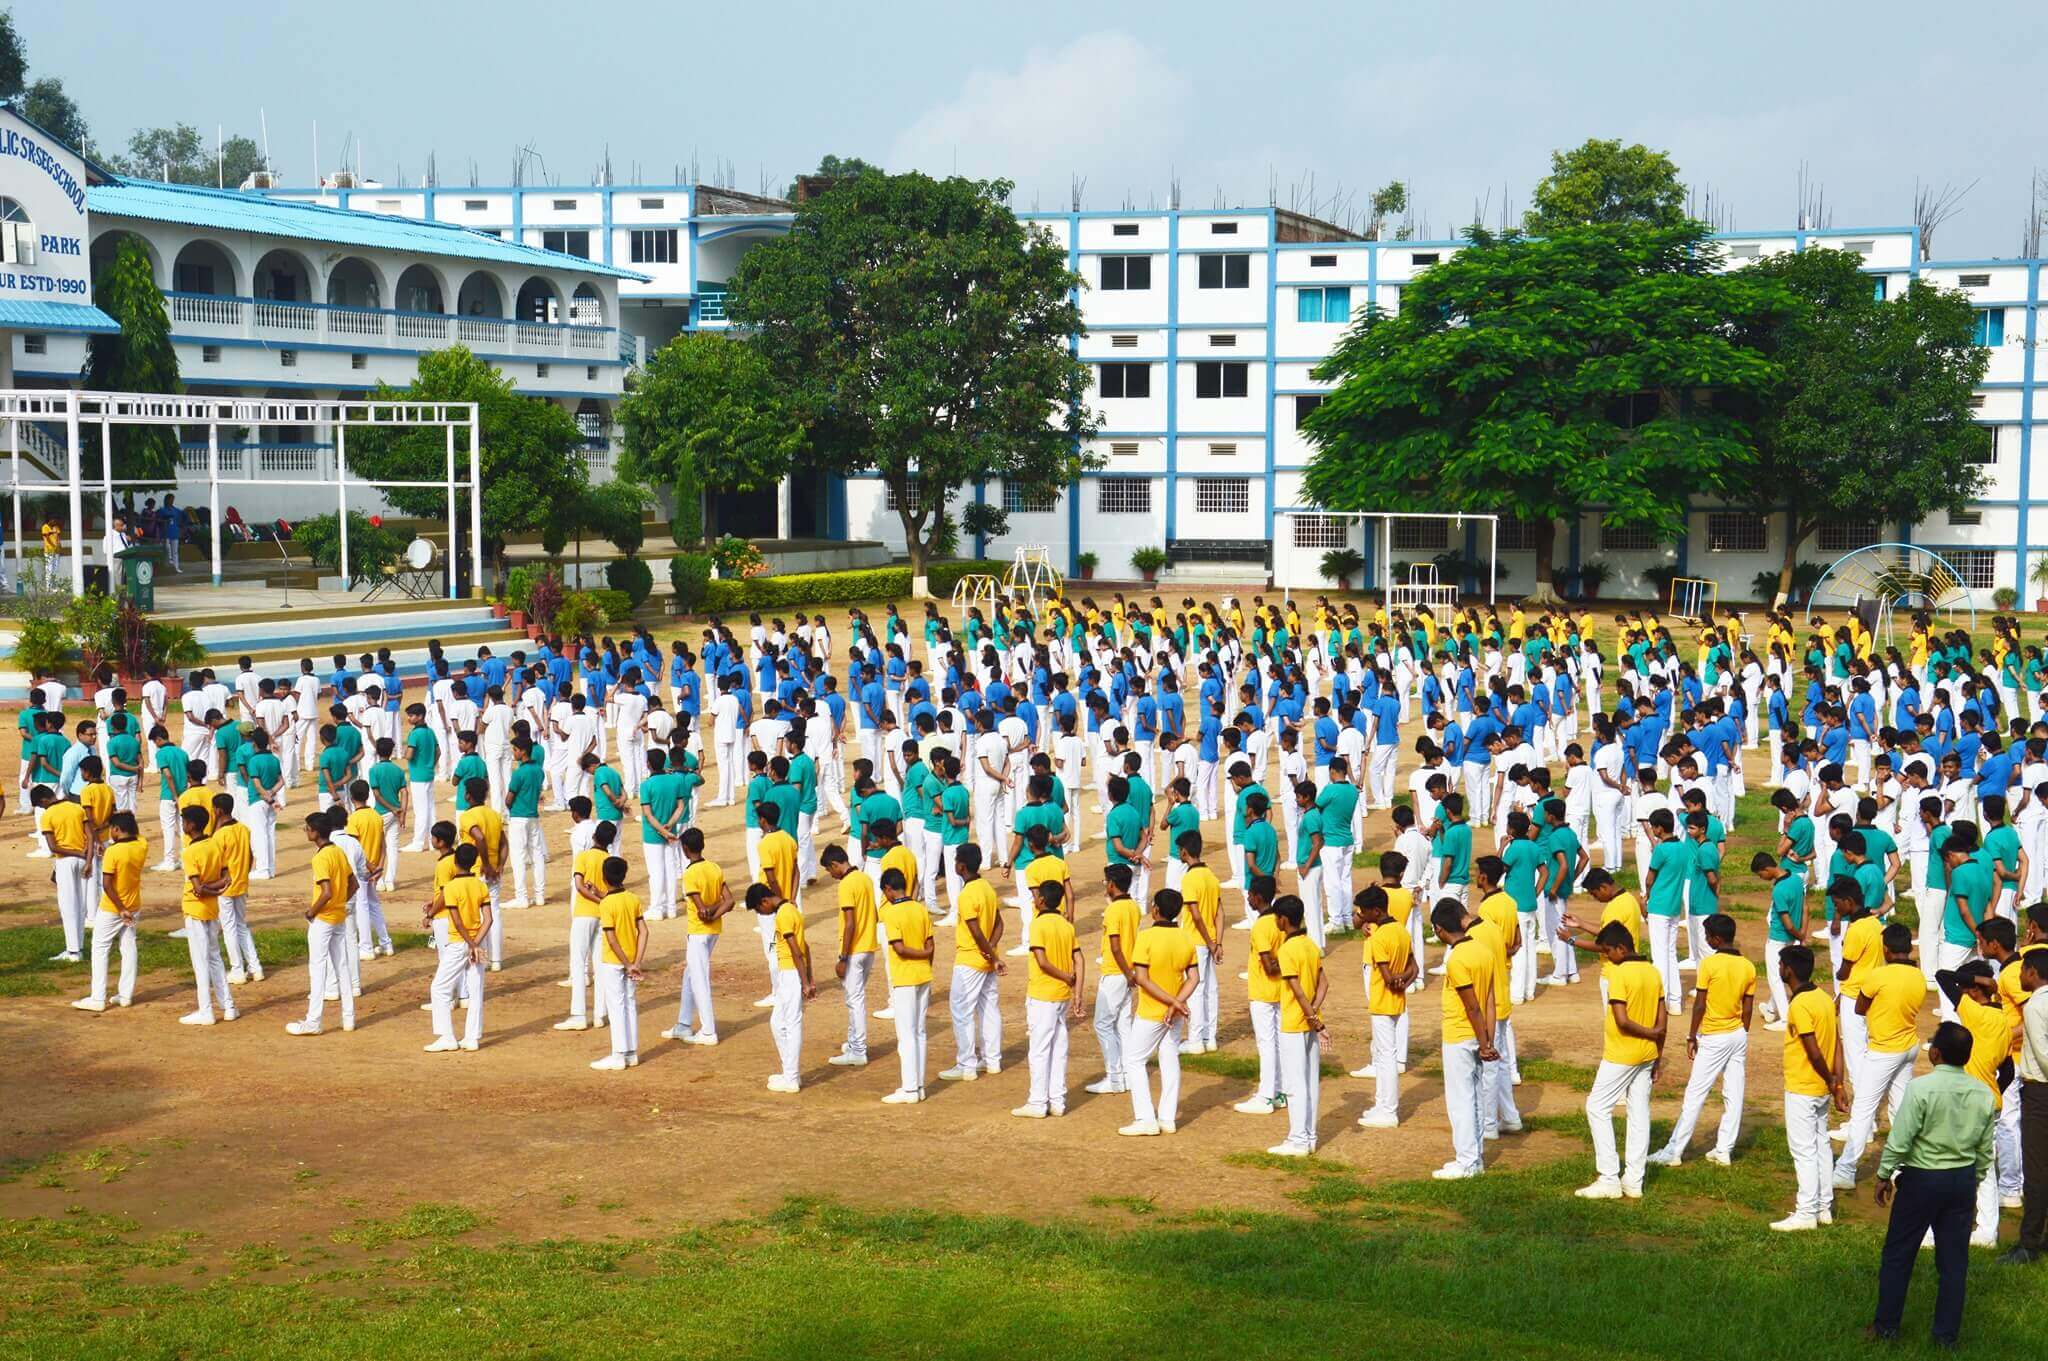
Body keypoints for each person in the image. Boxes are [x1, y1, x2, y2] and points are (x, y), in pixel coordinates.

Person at [1867, 1022, 1997, 1348]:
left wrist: (1884, 1175)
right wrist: (1973, 1184)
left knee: (1899, 1254)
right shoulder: (1982, 1093)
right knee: (1954, 1265)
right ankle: (1945, 1338)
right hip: (1962, 1180)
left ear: (1935, 1053)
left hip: (1923, 1180)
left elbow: (1900, 1139)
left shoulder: (1921, 1088)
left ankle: (1886, 1327)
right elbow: (1985, 1149)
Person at [1648, 912, 1754, 1167]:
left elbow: (1699, 1005)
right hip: (1738, 1034)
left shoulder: (1709, 965)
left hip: (1714, 1035)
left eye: (1707, 936)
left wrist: (1691, 1036)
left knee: (1695, 1094)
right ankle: (1724, 1150)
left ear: (1716, 939)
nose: (1706, 939)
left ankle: (1673, 1151)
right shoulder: (1748, 966)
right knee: (1734, 1093)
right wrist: (1743, 1033)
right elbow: (1748, 1008)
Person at [1573, 921, 1667, 1199]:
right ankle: (1634, 1181)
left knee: (1597, 1107)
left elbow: (1623, 1021)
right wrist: (1658, 1053)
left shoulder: (1619, 975)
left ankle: (1609, 1178)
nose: (1606, 956)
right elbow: (1662, 1021)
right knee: (1639, 1113)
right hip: (1647, 1054)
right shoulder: (1653, 972)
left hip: (1621, 1054)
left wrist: (1649, 1033)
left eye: (1607, 951)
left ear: (1621, 948)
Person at [1836, 923, 1930, 1191]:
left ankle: (1845, 1169)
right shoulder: (1919, 976)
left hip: (1883, 1049)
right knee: (1900, 1107)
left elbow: (1859, 1007)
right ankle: (1901, 1166)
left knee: (1863, 1108)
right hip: (1908, 1046)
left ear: (1886, 950)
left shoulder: (1878, 976)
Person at [1773, 943, 1847, 1231]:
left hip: (1804, 1086)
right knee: (1821, 1146)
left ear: (1788, 970)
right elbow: (1837, 1044)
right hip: (1820, 1089)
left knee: (1803, 1150)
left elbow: (1814, 1050)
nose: (1779, 969)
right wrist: (1837, 1082)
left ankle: (1806, 1213)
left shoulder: (1800, 1005)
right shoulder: (1824, 998)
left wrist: (1831, 1079)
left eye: (1780, 965)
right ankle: (1823, 1207)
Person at [1119, 888, 1197, 1138]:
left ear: (1155, 910)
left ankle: (1145, 1118)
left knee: (1134, 1060)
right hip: (1173, 1014)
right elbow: (1194, 978)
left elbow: (1141, 978)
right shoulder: (1186, 938)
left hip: (1152, 1011)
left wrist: (1172, 1002)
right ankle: (1167, 1117)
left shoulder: (1146, 938)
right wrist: (1177, 1003)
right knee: (1169, 1058)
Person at [1433, 898, 1498, 1180]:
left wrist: (1484, 1043)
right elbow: (1490, 1001)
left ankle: (1467, 1161)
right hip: (1479, 1035)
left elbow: (1472, 1005)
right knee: (1475, 1099)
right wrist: (1488, 1041)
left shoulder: (1457, 959)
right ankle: (1475, 1158)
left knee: (1461, 1101)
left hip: (1460, 1035)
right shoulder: (1483, 952)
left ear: (1439, 930)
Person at [1015, 879, 1083, 1119]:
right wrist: (1077, 991)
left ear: (1042, 900)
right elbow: (1079, 960)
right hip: (1062, 996)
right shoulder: (1067, 926)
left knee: (1039, 1050)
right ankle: (1057, 1101)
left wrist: (1066, 977)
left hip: (1043, 994)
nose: (1034, 898)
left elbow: (1042, 962)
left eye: (1036, 896)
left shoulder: (1038, 925)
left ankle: (1037, 1102)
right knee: (1058, 1047)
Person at [286, 812, 358, 1037]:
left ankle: (313, 1021)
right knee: (342, 966)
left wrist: (311, 911)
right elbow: (353, 884)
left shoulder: (320, 858)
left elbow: (326, 891)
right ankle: (349, 1018)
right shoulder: (337, 851)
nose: (306, 832)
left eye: (307, 828)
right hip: (338, 916)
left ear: (315, 832)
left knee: (317, 968)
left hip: (324, 918)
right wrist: (339, 901)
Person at [1269, 894, 1326, 1157]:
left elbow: (1297, 990)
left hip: (1295, 1022)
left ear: (1283, 919)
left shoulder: (1287, 950)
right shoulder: (1311, 945)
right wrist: (1314, 1015)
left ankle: (1298, 1140)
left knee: (1295, 1084)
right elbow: (1324, 984)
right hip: (1310, 1022)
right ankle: (1310, 1136)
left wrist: (1309, 1015)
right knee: (1311, 1080)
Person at [940, 843, 1003, 1081]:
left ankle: (966, 1065)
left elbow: (975, 932)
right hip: (986, 960)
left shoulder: (967, 895)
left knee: (962, 1011)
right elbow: (999, 924)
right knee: (989, 1009)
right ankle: (992, 1060)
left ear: (962, 866)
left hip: (969, 960)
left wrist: (989, 953)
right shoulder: (987, 887)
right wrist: (992, 952)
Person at [1355, 884, 1416, 1129]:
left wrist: (1396, 981)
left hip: (1382, 1002)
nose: (1361, 915)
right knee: (1384, 1055)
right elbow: (1415, 968)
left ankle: (1388, 1110)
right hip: (1398, 1000)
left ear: (1377, 911)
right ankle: (1381, 1105)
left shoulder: (1379, 938)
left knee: (1386, 1056)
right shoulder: (1401, 931)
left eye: (1364, 911)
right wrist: (1404, 983)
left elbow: (1387, 976)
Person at [73, 811, 145, 1013]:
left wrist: (120, 909)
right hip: (134, 904)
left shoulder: (114, 852)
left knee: (100, 948)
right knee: (128, 946)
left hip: (113, 907)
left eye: (112, 828)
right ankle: (125, 995)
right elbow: (136, 836)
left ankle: (97, 998)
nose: (110, 833)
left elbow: (107, 884)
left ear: (117, 830)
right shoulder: (141, 845)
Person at [2002, 946, 2048, 1265]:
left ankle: (2028, 1244)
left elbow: (2044, 1056)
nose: (2019, 975)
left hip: (2040, 1094)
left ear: (2032, 972)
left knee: (2035, 1170)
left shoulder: (2034, 1007)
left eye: (2022, 970)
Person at [876, 866, 935, 1104]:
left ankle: (910, 1089)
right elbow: (930, 945)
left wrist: (921, 955)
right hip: (924, 976)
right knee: (919, 1032)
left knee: (906, 1035)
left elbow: (899, 948)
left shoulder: (891, 913)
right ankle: (918, 1086)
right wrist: (925, 959)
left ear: (889, 889)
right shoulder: (920, 909)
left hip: (904, 978)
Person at [424, 844, 490, 1053]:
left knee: (439, 988)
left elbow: (458, 922)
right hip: (478, 941)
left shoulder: (452, 887)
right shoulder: (480, 885)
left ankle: (447, 1036)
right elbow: (488, 919)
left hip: (459, 943)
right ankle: (472, 1038)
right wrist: (476, 944)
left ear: (455, 862)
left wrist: (470, 945)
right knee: (475, 988)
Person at [670, 826, 731, 1045]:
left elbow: (701, 910)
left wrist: (709, 911)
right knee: (690, 974)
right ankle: (683, 1024)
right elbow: (729, 901)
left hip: (698, 932)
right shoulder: (714, 868)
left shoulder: (690, 873)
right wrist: (716, 910)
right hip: (713, 930)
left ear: (685, 849)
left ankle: (708, 1031)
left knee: (699, 979)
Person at [175, 803, 234, 1025]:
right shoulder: (214, 844)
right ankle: (228, 1006)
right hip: (211, 908)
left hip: (196, 908)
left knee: (200, 962)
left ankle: (206, 1010)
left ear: (190, 825)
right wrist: (217, 888)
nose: (183, 825)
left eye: (184, 822)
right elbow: (226, 876)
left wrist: (208, 889)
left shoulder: (190, 851)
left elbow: (197, 888)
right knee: (215, 958)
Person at [556, 821, 617, 1032]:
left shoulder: (583, 857)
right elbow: (610, 891)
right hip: (602, 916)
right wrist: (602, 900)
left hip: (584, 914)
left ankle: (579, 1015)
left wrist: (594, 898)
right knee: (600, 964)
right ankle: (600, 1014)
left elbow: (580, 887)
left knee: (578, 963)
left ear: (594, 836)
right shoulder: (610, 860)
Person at [822, 843, 879, 1068]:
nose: (831, 874)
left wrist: (843, 957)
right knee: (855, 997)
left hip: (854, 951)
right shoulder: (864, 878)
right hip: (869, 947)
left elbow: (849, 923)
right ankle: (854, 1041)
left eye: (829, 869)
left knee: (854, 1000)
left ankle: (858, 1049)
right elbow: (873, 914)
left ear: (836, 864)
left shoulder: (846, 885)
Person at [755, 881, 814, 1093]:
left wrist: (806, 982)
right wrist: (809, 977)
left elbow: (797, 951)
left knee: (790, 1023)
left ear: (764, 901)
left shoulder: (784, 915)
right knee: (778, 1023)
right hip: (788, 974)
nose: (763, 913)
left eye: (760, 909)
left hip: (790, 974)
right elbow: (805, 947)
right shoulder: (791, 909)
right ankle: (789, 1072)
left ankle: (791, 1077)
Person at [589, 856, 646, 1072]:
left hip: (614, 961)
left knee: (616, 1005)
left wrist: (626, 963)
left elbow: (611, 940)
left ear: (604, 877)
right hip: (631, 958)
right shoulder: (633, 899)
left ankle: (618, 1054)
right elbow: (644, 931)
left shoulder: (606, 904)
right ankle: (631, 1052)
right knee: (630, 1003)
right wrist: (636, 962)